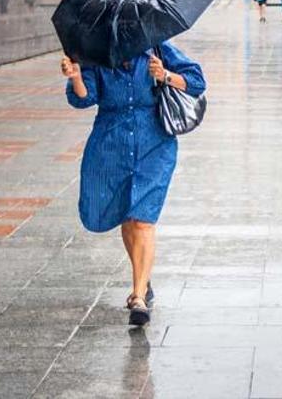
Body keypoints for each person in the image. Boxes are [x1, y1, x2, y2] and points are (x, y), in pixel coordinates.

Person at [60, 44, 205, 326]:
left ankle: (138, 297)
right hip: (110, 146)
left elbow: (197, 81)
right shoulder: (96, 56)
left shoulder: (158, 49)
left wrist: (165, 75)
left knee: (142, 219)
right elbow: (83, 98)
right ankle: (143, 277)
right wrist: (76, 76)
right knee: (128, 217)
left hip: (155, 145)